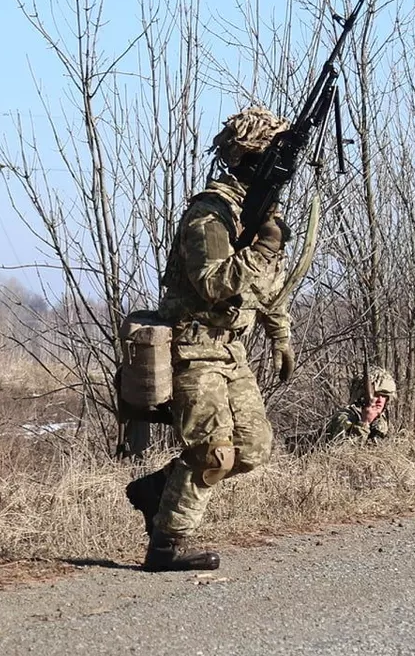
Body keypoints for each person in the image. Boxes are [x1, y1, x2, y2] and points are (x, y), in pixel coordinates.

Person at [124, 106, 294, 572]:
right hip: (193, 348)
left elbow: (268, 285)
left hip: (230, 349)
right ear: (249, 158)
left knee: (253, 448)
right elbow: (215, 283)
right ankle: (166, 546)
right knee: (213, 454)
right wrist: (262, 247)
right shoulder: (210, 214)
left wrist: (280, 334)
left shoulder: (255, 214)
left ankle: (156, 490)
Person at [320, 367, 397, 445]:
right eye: (376, 395)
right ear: (362, 397)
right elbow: (339, 452)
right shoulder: (344, 419)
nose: (380, 400)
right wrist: (364, 423)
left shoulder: (383, 420)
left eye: (384, 396)